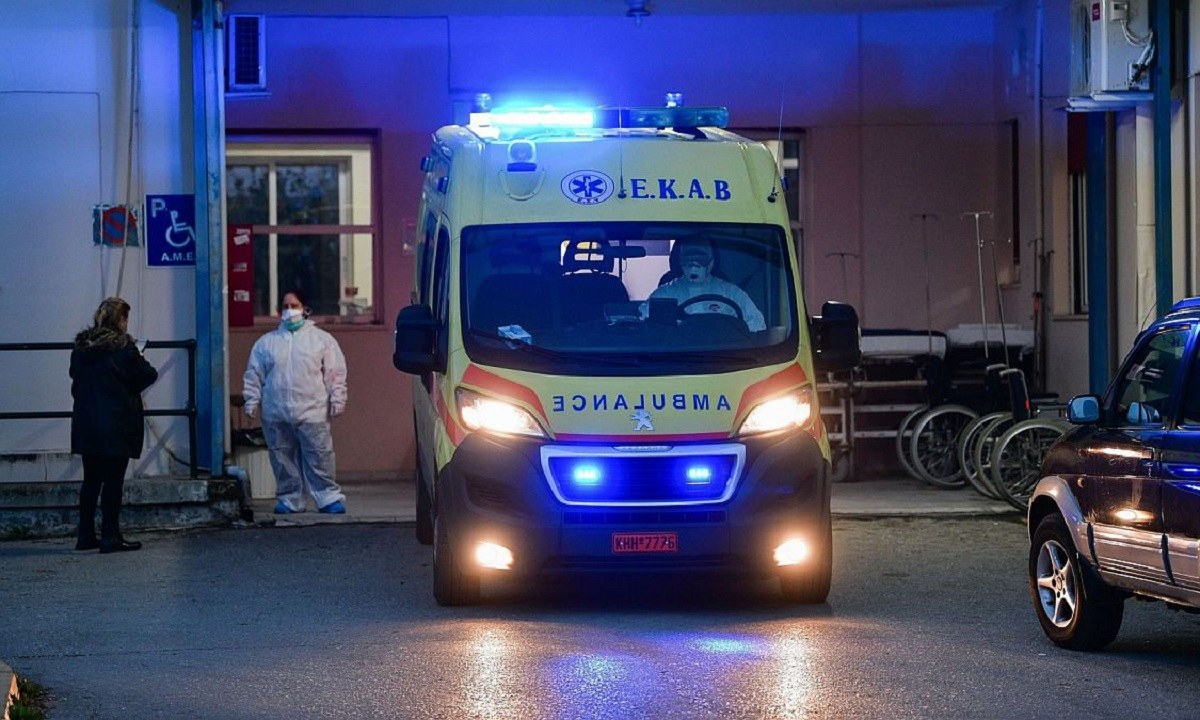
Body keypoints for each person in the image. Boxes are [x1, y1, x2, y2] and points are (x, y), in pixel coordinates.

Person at [242, 289, 349, 514]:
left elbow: (335, 372)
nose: (289, 311)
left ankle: (327, 497)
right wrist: (251, 400)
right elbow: (254, 374)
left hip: (313, 410)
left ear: (305, 309)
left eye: (294, 305)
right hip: (276, 411)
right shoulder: (267, 343)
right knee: (282, 456)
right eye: (285, 306)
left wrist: (338, 397)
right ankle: (290, 498)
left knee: (319, 455)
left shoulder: (321, 340)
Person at [70, 297, 159, 553]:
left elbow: (75, 378)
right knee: (113, 481)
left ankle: (85, 535)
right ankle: (110, 535)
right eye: (125, 318)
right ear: (120, 320)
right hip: (117, 423)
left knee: (91, 480)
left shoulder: (81, 349)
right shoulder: (125, 349)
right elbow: (148, 374)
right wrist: (138, 354)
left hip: (87, 422)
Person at [648, 238, 766, 331]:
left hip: (722, 351)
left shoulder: (731, 293)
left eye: (700, 258)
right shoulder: (664, 294)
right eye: (688, 258)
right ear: (680, 260)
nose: (694, 264)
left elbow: (756, 323)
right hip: (679, 351)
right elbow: (645, 323)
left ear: (711, 261)